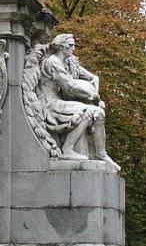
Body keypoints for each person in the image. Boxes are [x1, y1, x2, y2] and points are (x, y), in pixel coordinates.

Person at [37, 33, 116, 166]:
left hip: (58, 101)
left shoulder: (67, 62)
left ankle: (101, 154)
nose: (73, 47)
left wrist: (94, 90)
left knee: (99, 113)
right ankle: (67, 149)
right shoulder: (53, 62)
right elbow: (70, 87)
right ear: (61, 46)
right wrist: (92, 96)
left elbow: (93, 77)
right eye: (70, 45)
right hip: (49, 103)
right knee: (88, 111)